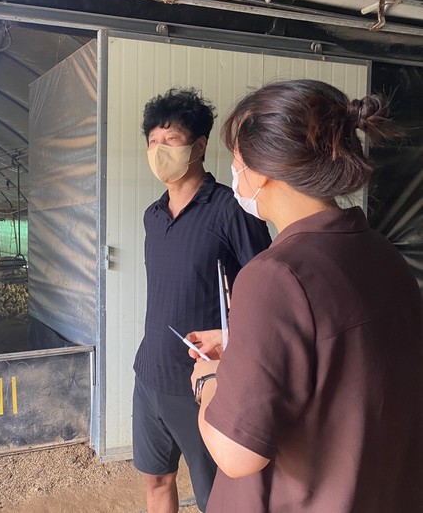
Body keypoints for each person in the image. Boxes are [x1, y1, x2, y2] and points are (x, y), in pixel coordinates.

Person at [189, 79, 423, 512]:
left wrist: (208, 382)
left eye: (236, 160)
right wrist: (243, 345)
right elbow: (344, 362)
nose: (235, 173)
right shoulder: (383, 254)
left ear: (261, 170)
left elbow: (236, 453)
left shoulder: (273, 276)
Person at [133, 88, 272, 513]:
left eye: (171, 140)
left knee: (216, 496)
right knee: (157, 479)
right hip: (149, 375)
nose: (159, 151)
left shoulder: (231, 210)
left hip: (203, 382)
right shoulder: (153, 216)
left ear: (198, 146)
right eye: (153, 141)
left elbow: (266, 290)